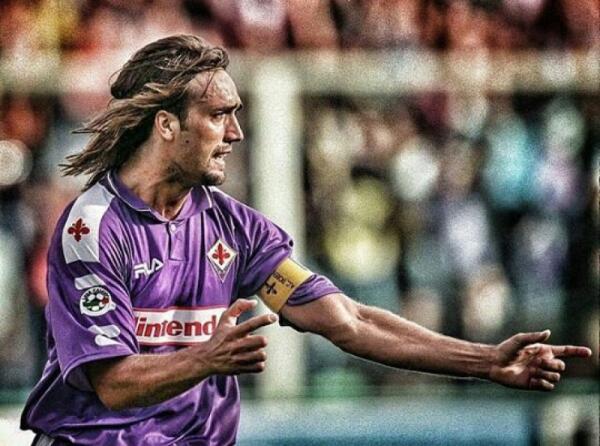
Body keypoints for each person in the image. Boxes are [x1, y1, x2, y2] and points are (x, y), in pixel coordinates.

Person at [21, 35, 592, 446]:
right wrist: (206, 358)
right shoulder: (91, 230)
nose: (236, 133)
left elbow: (349, 321)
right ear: (166, 124)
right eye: (219, 116)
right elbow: (114, 384)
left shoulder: (237, 231)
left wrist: (485, 360)